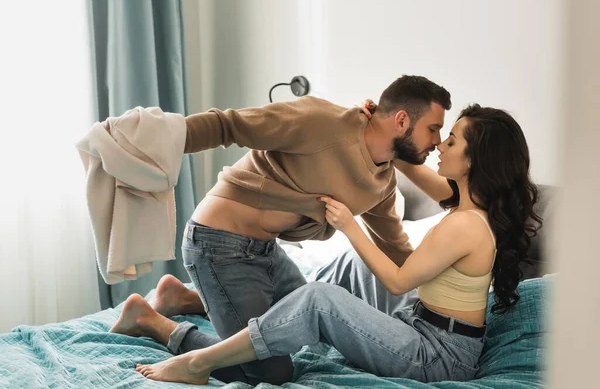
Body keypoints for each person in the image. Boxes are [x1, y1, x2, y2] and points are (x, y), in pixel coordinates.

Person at [112, 102, 542, 384]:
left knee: (319, 299)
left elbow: (397, 280)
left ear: (474, 160)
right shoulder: (464, 203)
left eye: (451, 140)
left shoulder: (466, 224)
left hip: (437, 357)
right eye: (437, 134)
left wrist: (350, 224)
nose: (438, 146)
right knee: (346, 274)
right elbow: (409, 162)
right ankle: (195, 300)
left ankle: (195, 360)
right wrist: (380, 133)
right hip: (426, 326)